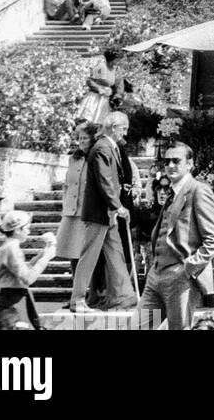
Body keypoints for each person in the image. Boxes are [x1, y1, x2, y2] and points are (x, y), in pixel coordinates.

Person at [138, 141, 214, 330]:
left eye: (176, 161)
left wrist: (188, 267)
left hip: (180, 277)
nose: (170, 166)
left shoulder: (198, 191)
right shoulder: (172, 193)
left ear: (190, 164)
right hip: (156, 275)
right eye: (166, 161)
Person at [69, 111, 138, 313]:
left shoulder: (109, 147)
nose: (125, 132)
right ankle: (78, 300)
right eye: (123, 128)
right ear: (114, 128)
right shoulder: (102, 148)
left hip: (107, 215)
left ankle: (124, 297)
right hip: (100, 214)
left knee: (115, 253)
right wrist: (118, 206)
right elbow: (104, 181)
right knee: (89, 255)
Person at [0, 211, 55, 330]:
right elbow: (28, 278)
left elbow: (22, 270)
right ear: (17, 230)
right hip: (12, 303)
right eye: (26, 228)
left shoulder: (9, 247)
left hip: (14, 300)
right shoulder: (11, 248)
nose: (29, 231)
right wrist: (46, 257)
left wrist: (42, 254)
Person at [55, 122, 97, 267]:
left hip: (87, 213)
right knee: (73, 253)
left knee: (86, 254)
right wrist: (65, 205)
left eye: (85, 137)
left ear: (93, 139)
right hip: (71, 212)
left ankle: (90, 286)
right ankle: (77, 286)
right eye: (79, 137)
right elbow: (67, 185)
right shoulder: (73, 159)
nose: (81, 140)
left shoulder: (97, 158)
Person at [79, 47, 121, 123]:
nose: (118, 61)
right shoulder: (101, 66)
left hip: (105, 100)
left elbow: (113, 84)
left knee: (102, 122)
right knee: (89, 120)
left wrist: (115, 95)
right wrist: (99, 89)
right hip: (95, 98)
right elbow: (89, 80)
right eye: (117, 59)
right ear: (112, 59)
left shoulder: (114, 69)